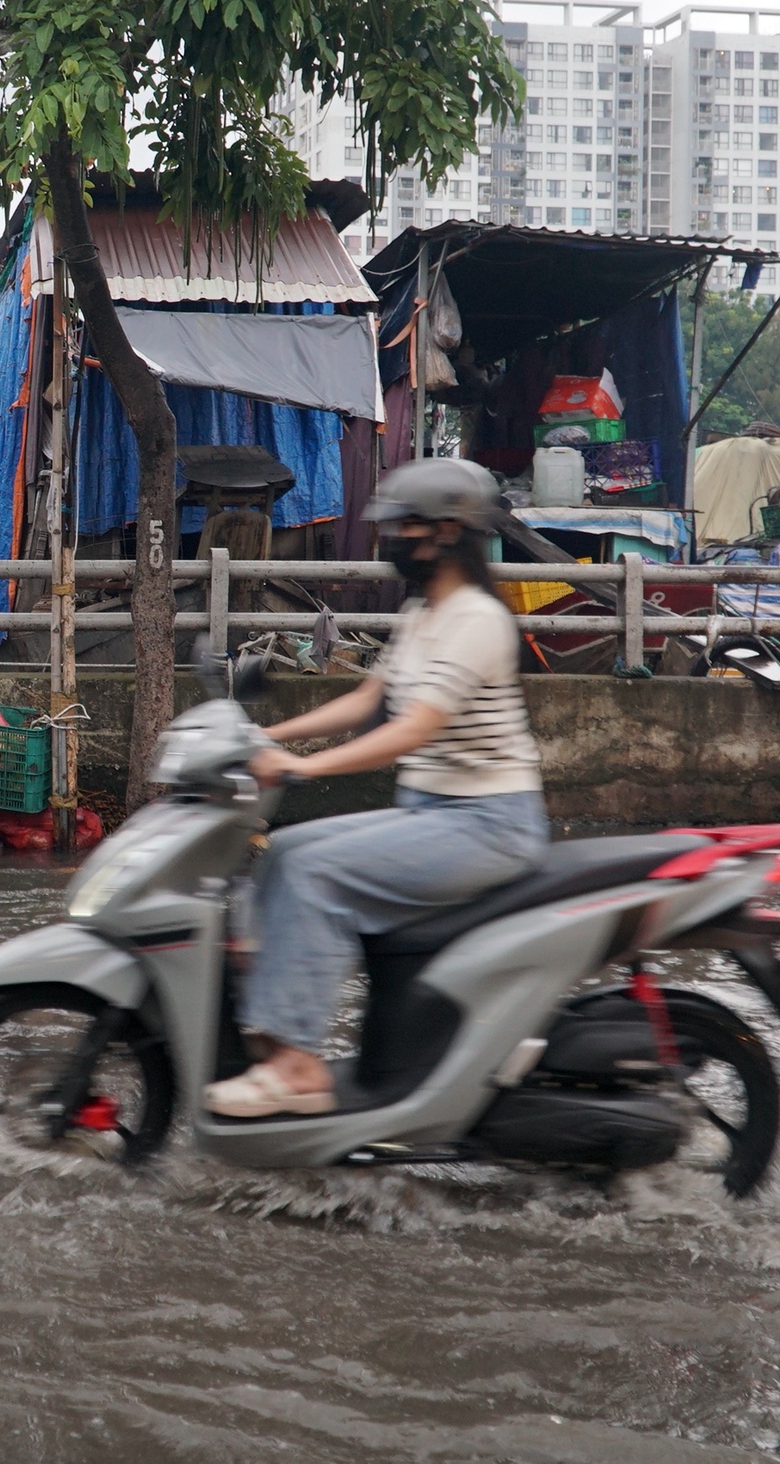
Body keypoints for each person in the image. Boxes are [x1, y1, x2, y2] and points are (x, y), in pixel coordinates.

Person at [202, 458, 549, 1118]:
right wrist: (266, 736)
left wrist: (302, 768)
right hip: (433, 814)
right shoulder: (425, 611)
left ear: (447, 532)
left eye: (404, 526)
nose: (392, 539)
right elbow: (370, 699)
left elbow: (412, 728)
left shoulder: (476, 619)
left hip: (487, 824)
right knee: (285, 852)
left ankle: (298, 1068)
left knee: (315, 871)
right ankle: (267, 1034)